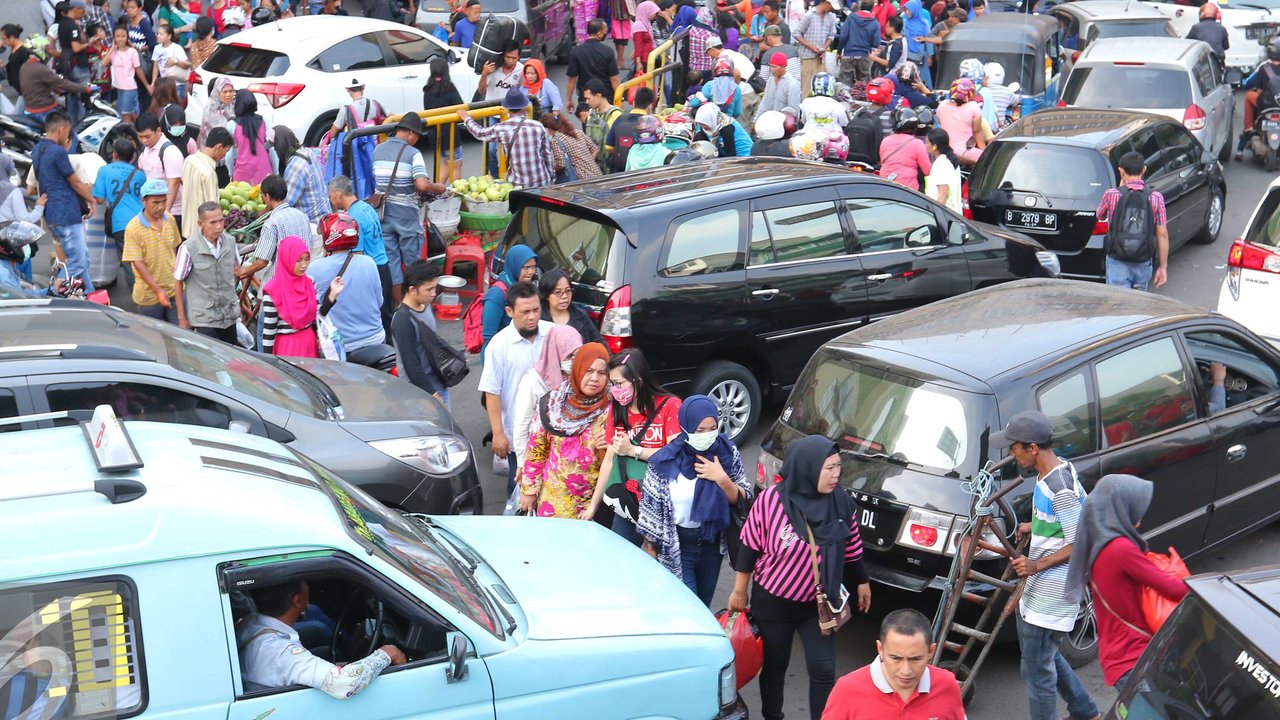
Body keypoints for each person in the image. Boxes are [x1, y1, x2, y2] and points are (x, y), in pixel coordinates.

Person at [728, 434, 872, 720]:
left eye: (838, 467)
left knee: (823, 671)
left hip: (818, 606)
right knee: (775, 667)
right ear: (807, 467)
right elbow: (749, 547)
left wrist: (862, 581)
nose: (836, 475)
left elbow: (852, 546)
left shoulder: (841, 502)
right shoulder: (771, 501)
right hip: (773, 603)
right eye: (828, 468)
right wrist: (739, 591)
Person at [990, 411, 1101, 720]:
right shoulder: (1053, 471)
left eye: (1014, 447)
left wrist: (1037, 565)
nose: (1011, 453)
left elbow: (1080, 540)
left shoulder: (1059, 486)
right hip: (1044, 590)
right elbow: (1061, 524)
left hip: (1052, 592)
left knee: (1037, 673)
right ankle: (1086, 712)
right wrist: (1034, 525)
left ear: (1033, 448)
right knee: (1043, 656)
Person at [1065, 474, 1188, 690]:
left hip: (1115, 656)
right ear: (1121, 510)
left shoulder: (1097, 543)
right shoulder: (1121, 549)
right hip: (1134, 657)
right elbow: (1176, 589)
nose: (1140, 514)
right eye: (1136, 507)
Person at [637, 395, 751, 606]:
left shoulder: (727, 453)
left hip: (712, 544)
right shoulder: (664, 461)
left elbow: (745, 499)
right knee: (689, 607)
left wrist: (722, 479)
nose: (707, 435)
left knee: (703, 606)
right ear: (686, 427)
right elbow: (650, 513)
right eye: (700, 431)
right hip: (678, 544)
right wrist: (651, 554)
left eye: (712, 428)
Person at [238, 579, 406, 698]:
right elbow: (343, 684)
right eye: (304, 583)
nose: (308, 585)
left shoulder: (250, 623)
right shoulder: (281, 653)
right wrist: (386, 653)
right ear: (297, 601)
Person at [586, 348, 682, 542]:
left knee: (656, 562)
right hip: (628, 500)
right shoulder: (617, 409)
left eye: (619, 383)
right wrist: (593, 506)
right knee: (619, 555)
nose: (614, 389)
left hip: (661, 502)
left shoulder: (670, 405)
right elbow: (609, 462)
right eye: (612, 383)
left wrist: (634, 451)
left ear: (638, 381)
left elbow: (676, 454)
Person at [520, 341, 611, 518]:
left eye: (602, 373)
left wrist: (612, 445)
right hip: (554, 502)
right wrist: (529, 490)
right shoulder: (553, 404)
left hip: (595, 505)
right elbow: (536, 449)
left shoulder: (613, 408)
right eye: (588, 370)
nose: (594, 378)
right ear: (577, 370)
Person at [821, 609, 965, 719]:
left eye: (915, 659)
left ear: (931, 652)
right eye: (896, 658)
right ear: (880, 649)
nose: (906, 670)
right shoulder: (847, 690)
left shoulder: (948, 686)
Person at [479, 281, 553, 494]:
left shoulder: (553, 334)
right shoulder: (498, 345)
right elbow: (491, 392)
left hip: (551, 431)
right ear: (509, 311)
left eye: (536, 310)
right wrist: (498, 434)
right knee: (519, 486)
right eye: (525, 312)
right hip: (518, 434)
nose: (532, 316)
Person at [372, 112, 447, 304]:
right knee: (414, 265)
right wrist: (438, 188)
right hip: (406, 216)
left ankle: (399, 306)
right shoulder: (413, 154)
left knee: (393, 264)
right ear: (412, 133)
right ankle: (416, 305)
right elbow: (421, 184)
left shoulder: (378, 150)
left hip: (383, 215)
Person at [31, 112, 96, 292]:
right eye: (68, 132)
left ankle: (91, 295)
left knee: (81, 259)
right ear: (61, 129)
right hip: (66, 213)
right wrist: (91, 200)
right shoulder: (58, 152)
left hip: (51, 214)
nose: (68, 136)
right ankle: (52, 293)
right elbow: (75, 182)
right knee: (78, 262)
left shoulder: (38, 149)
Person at [309, 211, 385, 362]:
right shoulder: (369, 262)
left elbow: (313, 311)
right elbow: (379, 302)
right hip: (376, 338)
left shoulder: (314, 268)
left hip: (343, 346)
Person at [511, 324, 583, 480]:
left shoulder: (581, 380)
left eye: (578, 355)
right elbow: (522, 426)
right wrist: (523, 464)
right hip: (540, 460)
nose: (574, 361)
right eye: (570, 356)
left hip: (571, 466)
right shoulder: (533, 382)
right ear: (556, 351)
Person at [1095, 150, 1169, 291]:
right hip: (1143, 259)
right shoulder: (1156, 197)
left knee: (1117, 305)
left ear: (1121, 171)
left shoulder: (1111, 195)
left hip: (1117, 259)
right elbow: (1162, 233)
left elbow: (1100, 215)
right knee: (1137, 305)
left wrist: (1120, 185)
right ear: (1144, 170)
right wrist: (1163, 266)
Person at [328, 175, 393, 333]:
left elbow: (357, 253)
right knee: (385, 316)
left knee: (375, 318)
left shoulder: (352, 218)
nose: (330, 200)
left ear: (338, 194)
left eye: (330, 196)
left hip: (373, 271)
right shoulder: (366, 207)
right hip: (384, 267)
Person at [262, 235, 344, 358]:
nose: (304, 265)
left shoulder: (309, 282)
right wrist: (268, 361)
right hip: (287, 349)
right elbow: (269, 331)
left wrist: (332, 295)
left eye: (306, 259)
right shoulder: (272, 290)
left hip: (310, 344)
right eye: (298, 260)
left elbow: (317, 316)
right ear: (286, 258)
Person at [393, 260, 460, 406]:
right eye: (428, 290)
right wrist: (432, 394)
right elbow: (411, 364)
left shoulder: (425, 305)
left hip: (438, 380)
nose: (433, 294)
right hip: (420, 393)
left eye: (434, 288)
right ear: (412, 290)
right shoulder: (402, 321)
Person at [458, 89, 555, 189]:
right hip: (542, 182)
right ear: (524, 107)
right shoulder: (538, 126)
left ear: (507, 108)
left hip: (519, 186)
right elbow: (547, 156)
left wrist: (467, 119)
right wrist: (551, 179)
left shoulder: (502, 128)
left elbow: (479, 133)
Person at [174, 201, 240, 342]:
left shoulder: (230, 242)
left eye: (221, 220)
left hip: (228, 315)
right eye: (213, 222)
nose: (218, 226)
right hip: (204, 319)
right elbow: (178, 282)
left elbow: (236, 271)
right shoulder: (189, 247)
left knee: (231, 358)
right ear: (200, 224)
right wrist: (182, 318)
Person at [240, 174, 313, 300]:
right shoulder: (302, 217)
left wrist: (241, 272)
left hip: (278, 289)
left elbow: (262, 262)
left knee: (265, 318)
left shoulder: (272, 222)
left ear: (267, 196)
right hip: (301, 283)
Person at [123, 178, 181, 323]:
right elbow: (138, 263)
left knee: (178, 336)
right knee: (155, 339)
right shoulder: (133, 228)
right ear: (144, 201)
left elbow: (173, 249)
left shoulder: (170, 219)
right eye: (155, 202)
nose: (161, 207)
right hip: (149, 297)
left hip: (174, 289)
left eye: (163, 201)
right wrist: (158, 290)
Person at [92, 137, 145, 283]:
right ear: (133, 156)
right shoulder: (139, 175)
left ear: (114, 155)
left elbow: (100, 199)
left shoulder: (104, 171)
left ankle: (139, 296)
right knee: (144, 259)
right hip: (142, 222)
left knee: (129, 262)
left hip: (121, 224)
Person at [482, 243, 539, 354]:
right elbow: (489, 337)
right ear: (515, 266)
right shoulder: (497, 295)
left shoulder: (526, 288)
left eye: (533, 267)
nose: (531, 272)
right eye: (526, 267)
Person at [136, 112, 188, 230]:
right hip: (153, 211)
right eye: (140, 137)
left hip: (174, 212)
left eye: (147, 136)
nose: (144, 140)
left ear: (158, 130)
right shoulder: (147, 149)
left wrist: (165, 213)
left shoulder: (170, 152)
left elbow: (174, 183)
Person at [180, 127, 232, 241]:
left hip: (186, 230)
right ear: (218, 147)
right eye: (226, 151)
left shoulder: (189, 160)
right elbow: (213, 210)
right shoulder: (209, 173)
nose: (225, 155)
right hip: (201, 237)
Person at [20, 44, 92, 124]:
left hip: (30, 110)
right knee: (69, 133)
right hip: (44, 111)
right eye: (46, 50)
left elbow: (42, 83)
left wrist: (58, 90)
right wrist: (84, 89)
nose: (49, 52)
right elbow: (62, 83)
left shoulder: (24, 66)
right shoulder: (41, 69)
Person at [422, 58, 465, 183]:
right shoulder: (450, 88)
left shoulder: (427, 90)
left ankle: (436, 190)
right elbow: (460, 107)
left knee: (446, 163)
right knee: (456, 165)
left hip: (434, 134)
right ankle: (457, 194)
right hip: (450, 133)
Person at [276, 126, 331, 224]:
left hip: (313, 223)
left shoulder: (295, 167)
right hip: (323, 214)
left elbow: (284, 204)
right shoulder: (306, 151)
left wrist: (265, 210)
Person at [1238, 41, 1280, 161]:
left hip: (1266, 104)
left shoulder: (1264, 68)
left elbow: (1259, 90)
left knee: (1249, 96)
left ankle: (1248, 127)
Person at [538, 268, 603, 344]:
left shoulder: (581, 316)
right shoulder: (538, 318)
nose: (564, 296)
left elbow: (600, 344)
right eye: (558, 292)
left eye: (568, 291)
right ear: (547, 295)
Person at [566, 19, 621, 104]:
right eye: (604, 32)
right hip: (605, 97)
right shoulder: (608, 51)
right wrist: (619, 100)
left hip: (585, 97)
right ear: (599, 33)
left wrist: (568, 99)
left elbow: (572, 79)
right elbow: (614, 78)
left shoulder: (576, 51)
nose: (605, 34)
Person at [227, 89, 275, 185]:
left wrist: (231, 173)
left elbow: (229, 154)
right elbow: (271, 148)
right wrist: (276, 172)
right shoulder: (264, 120)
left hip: (242, 171)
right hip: (264, 170)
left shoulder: (231, 125)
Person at [57, 0, 92, 127]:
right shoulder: (72, 26)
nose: (83, 15)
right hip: (78, 66)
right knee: (83, 96)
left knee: (71, 97)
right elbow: (76, 47)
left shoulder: (61, 24)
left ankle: (72, 127)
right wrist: (89, 43)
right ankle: (83, 126)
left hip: (66, 65)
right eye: (82, 11)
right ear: (75, 9)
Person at [606, 86, 658, 171]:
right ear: (650, 106)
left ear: (634, 103)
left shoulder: (619, 119)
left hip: (619, 172)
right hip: (641, 172)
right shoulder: (651, 124)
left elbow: (608, 147)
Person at [541, 111, 603, 182]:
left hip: (582, 179)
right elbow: (595, 149)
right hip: (596, 173)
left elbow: (561, 164)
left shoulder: (556, 139)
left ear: (548, 128)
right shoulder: (578, 132)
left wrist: (552, 168)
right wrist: (588, 161)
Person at [327, 78, 387, 147]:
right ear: (363, 87)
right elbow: (390, 119)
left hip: (356, 149)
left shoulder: (346, 110)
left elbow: (333, 133)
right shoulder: (375, 104)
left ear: (347, 90)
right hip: (375, 146)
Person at [794, 0, 836, 98]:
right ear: (825, 3)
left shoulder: (830, 17)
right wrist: (811, 47)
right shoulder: (809, 16)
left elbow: (832, 35)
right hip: (807, 56)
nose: (832, 9)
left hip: (821, 57)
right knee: (807, 86)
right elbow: (797, 33)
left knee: (822, 87)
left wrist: (825, 47)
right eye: (831, 6)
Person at [936, 78, 983, 165]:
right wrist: (984, 151)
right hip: (965, 153)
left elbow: (940, 122)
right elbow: (977, 132)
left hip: (943, 152)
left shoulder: (942, 105)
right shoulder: (973, 107)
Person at [104, 25, 144, 123]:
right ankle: (140, 128)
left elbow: (138, 70)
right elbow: (104, 63)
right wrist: (112, 48)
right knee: (127, 114)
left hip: (129, 88)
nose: (120, 39)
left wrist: (147, 85)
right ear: (114, 38)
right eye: (118, 36)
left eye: (123, 36)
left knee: (126, 115)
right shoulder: (113, 52)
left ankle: (133, 134)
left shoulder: (132, 52)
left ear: (127, 37)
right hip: (119, 88)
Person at [582, 79, 624, 173]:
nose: (587, 102)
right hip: (594, 168)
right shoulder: (591, 114)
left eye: (589, 98)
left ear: (598, 95)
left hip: (610, 169)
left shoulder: (615, 115)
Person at [836, 0, 880, 86]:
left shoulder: (851, 18)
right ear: (872, 8)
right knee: (863, 85)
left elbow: (843, 36)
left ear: (860, 6)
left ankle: (846, 98)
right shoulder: (875, 23)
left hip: (849, 54)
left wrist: (839, 51)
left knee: (845, 84)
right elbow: (876, 43)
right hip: (864, 55)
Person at [924, 127, 960, 213]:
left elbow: (943, 194)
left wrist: (938, 214)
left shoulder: (942, 163)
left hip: (946, 214)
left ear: (934, 147)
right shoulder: (946, 160)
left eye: (927, 143)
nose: (925, 145)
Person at [149, 23, 188, 104]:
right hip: (163, 84)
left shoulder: (177, 48)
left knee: (176, 107)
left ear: (169, 36)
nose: (158, 36)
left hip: (177, 85)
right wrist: (153, 82)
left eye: (161, 34)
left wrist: (175, 61)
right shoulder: (157, 48)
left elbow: (186, 64)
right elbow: (155, 66)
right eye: (157, 34)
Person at [759, 51, 801, 116]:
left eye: (774, 67)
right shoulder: (770, 80)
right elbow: (764, 102)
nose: (772, 69)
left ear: (783, 66)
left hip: (783, 122)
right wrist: (756, 120)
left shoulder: (792, 84)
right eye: (771, 66)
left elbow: (794, 110)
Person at [200, 77, 236, 146]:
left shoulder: (233, 106)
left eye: (230, 91)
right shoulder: (210, 109)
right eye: (225, 92)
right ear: (218, 92)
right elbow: (220, 134)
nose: (228, 95)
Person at [982, 62, 1018, 130]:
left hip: (983, 128)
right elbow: (1016, 101)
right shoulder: (1007, 91)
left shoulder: (981, 91)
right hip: (998, 129)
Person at [633, 0, 660, 72]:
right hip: (643, 59)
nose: (654, 15)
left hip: (648, 57)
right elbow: (638, 45)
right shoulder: (639, 25)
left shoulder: (646, 23)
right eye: (652, 12)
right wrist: (638, 63)